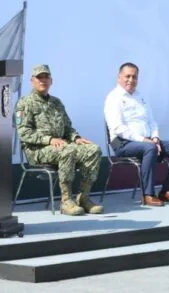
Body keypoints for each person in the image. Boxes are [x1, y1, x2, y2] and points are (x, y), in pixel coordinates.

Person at [15, 64, 103, 216]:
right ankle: (66, 201)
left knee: (93, 150)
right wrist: (49, 140)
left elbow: (67, 127)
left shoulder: (57, 103)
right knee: (67, 150)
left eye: (46, 77)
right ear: (32, 81)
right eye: (39, 77)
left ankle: (83, 198)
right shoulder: (25, 103)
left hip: (60, 146)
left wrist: (76, 138)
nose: (43, 80)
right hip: (37, 150)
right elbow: (24, 133)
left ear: (51, 81)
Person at [104, 62, 169, 206]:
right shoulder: (113, 98)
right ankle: (148, 195)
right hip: (123, 143)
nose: (131, 80)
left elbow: (152, 121)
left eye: (134, 77)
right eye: (127, 76)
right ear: (119, 77)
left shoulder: (140, 96)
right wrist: (144, 140)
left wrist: (155, 137)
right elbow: (118, 128)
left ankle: (167, 191)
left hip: (147, 141)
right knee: (149, 148)